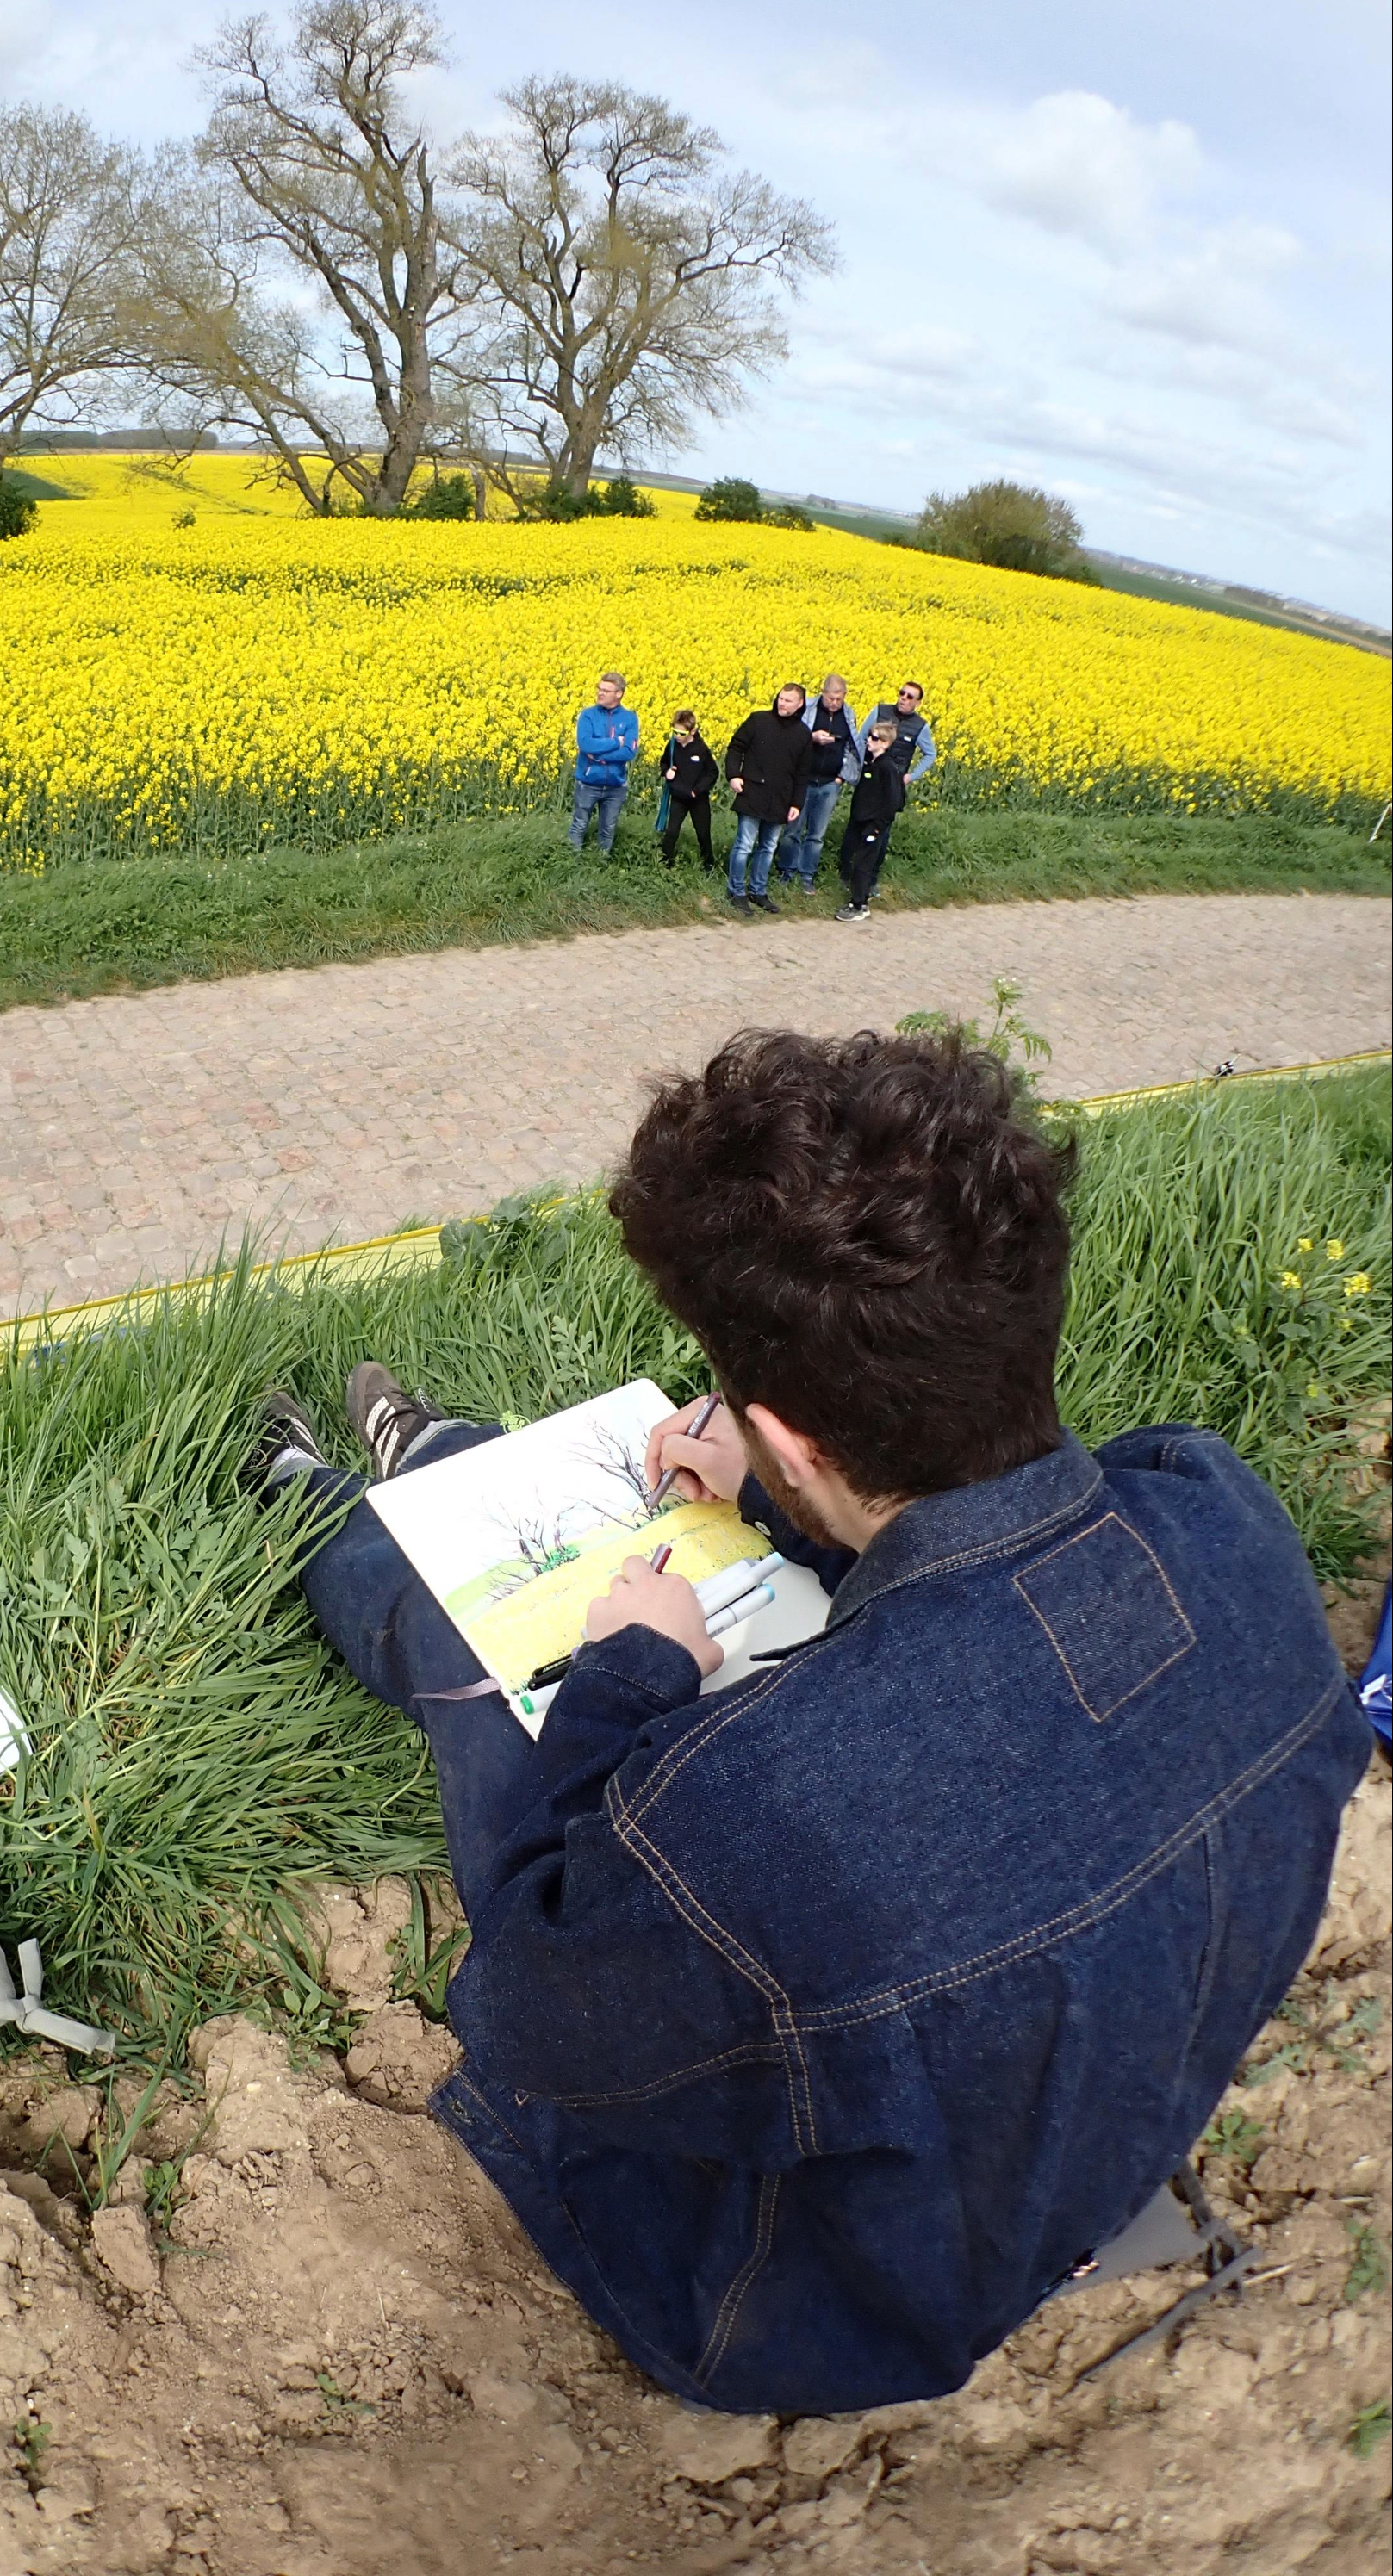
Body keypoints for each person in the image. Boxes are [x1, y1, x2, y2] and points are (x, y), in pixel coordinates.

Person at [257, 1029, 1368, 2419]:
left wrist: (625, 1685)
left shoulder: (741, 1824)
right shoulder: (1222, 1516)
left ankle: (332, 1500)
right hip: (1077, 2143)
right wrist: (786, 1495)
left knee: (461, 1634)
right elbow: (1001, 1521)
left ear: (787, 1438)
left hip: (808, 2303)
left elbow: (527, 2020)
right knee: (613, 1579)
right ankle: (439, 1454)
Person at [723, 684, 815, 915]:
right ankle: (736, 891)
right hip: (752, 792)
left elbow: (802, 773)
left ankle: (758, 891)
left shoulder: (803, 734)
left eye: (788, 700)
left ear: (800, 704)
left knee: (768, 847)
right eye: (781, 698)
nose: (782, 703)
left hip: (781, 799)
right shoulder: (758, 720)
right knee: (744, 845)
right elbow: (736, 747)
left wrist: (797, 803)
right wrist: (733, 775)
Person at [777, 673, 861, 896]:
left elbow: (853, 747)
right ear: (823, 693)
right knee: (792, 830)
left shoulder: (848, 714)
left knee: (816, 835)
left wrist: (841, 778)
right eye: (831, 698)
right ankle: (786, 871)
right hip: (802, 781)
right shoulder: (809, 709)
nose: (835, 703)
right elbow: (791, 734)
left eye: (839, 699)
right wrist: (811, 738)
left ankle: (807, 876)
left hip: (829, 783)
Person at [834, 717, 906, 920]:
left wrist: (877, 827)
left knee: (863, 865)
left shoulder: (887, 767)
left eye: (874, 738)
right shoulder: (871, 762)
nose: (869, 741)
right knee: (853, 859)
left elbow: (893, 801)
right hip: (859, 821)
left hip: (872, 825)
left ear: (885, 743)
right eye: (869, 737)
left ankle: (860, 905)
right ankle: (856, 900)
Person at [569, 673, 639, 856]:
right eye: (599, 689)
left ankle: (600, 867)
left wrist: (598, 755)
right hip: (588, 782)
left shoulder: (630, 718)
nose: (600, 693)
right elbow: (585, 744)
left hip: (615, 785)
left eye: (606, 691)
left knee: (608, 829)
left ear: (619, 694)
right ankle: (570, 865)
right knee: (579, 826)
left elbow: (629, 752)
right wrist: (617, 741)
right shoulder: (588, 715)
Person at [656, 711, 718, 869]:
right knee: (671, 832)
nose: (677, 735)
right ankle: (666, 864)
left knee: (703, 834)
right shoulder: (672, 746)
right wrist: (666, 772)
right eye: (674, 731)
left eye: (681, 733)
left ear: (692, 731)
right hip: (679, 797)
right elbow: (664, 763)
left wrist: (697, 791)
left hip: (698, 799)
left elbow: (713, 772)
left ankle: (709, 865)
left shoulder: (701, 749)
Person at [863, 678, 936, 783]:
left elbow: (930, 754)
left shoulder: (920, 726)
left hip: (894, 781)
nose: (904, 698)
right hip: (869, 774)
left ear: (918, 703)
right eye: (902, 693)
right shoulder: (880, 711)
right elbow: (861, 739)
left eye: (910, 697)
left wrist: (911, 777)